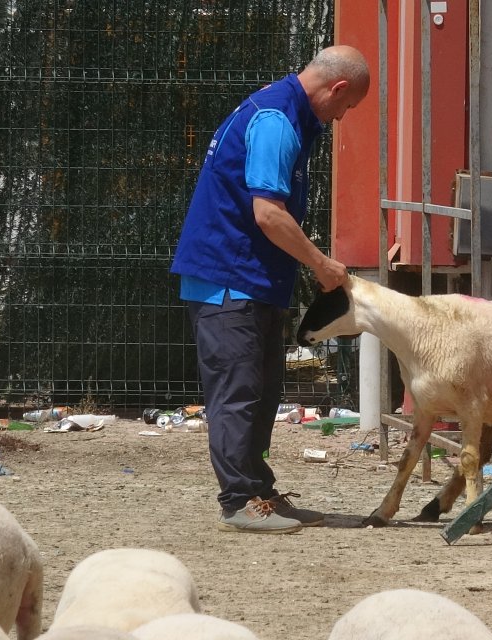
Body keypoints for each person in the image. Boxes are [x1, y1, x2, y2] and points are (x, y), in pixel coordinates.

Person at [170, 45, 369, 534]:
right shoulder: (278, 120)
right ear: (337, 88)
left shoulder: (282, 110)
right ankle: (239, 501)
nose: (343, 117)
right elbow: (268, 213)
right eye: (347, 106)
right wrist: (321, 264)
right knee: (238, 393)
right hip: (228, 280)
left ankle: (258, 492)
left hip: (249, 279)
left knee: (259, 392)